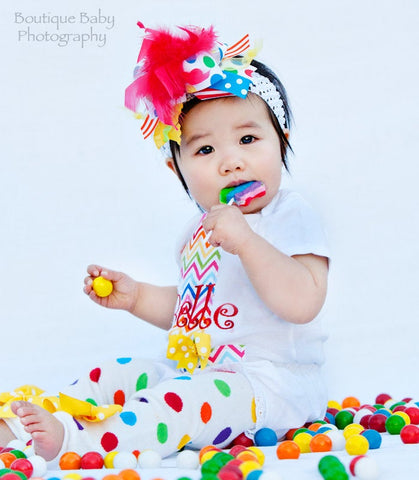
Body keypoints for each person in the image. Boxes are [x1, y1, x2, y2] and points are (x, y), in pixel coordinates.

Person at [0, 24, 330, 465]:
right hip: (200, 370)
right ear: (179, 172)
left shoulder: (290, 215)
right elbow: (193, 310)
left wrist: (248, 242)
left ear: (282, 140)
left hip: (270, 388)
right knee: (120, 373)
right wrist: (137, 297)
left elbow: (304, 302)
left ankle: (77, 444)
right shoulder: (197, 234)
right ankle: (22, 422)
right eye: (205, 150)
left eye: (248, 140)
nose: (231, 160)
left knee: (180, 402)